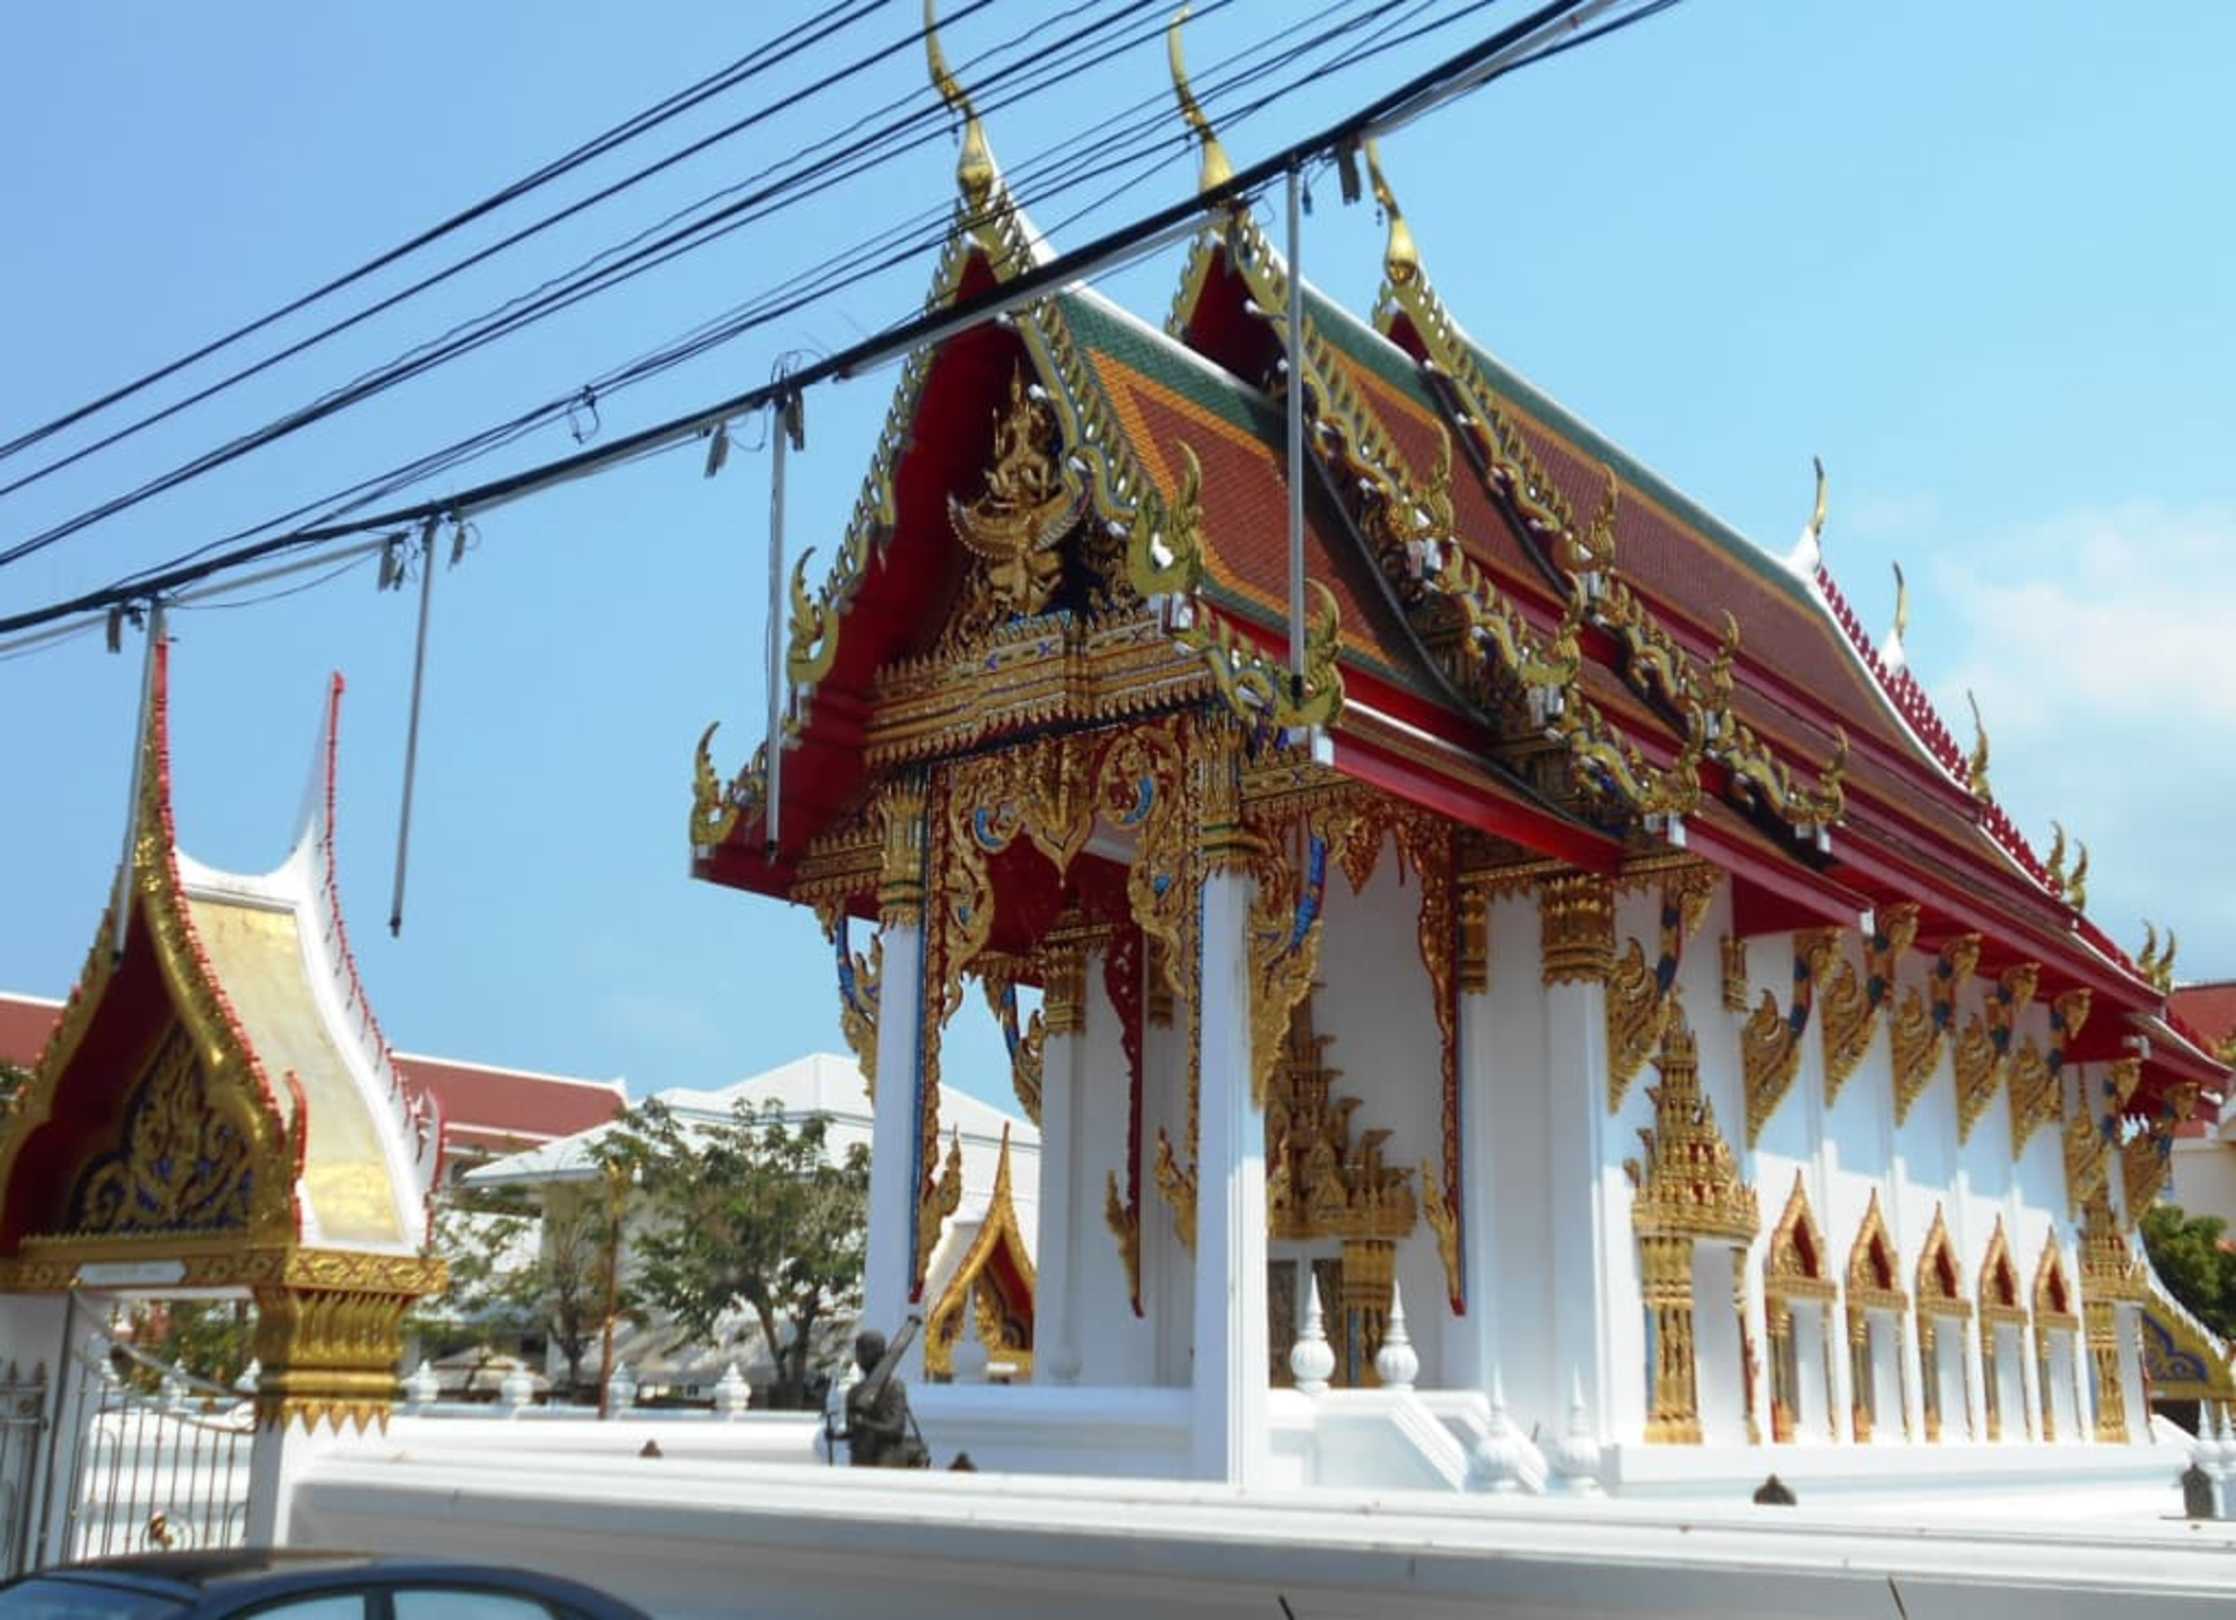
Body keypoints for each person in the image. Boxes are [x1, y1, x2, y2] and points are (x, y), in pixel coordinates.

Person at [844, 1329, 928, 1469]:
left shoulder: (894, 1388)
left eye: (864, 1350)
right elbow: (853, 1430)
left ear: (879, 1354)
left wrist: (865, 1424)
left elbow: (895, 1429)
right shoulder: (854, 1392)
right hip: (861, 1461)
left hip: (887, 1460)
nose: (858, 1356)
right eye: (857, 1351)